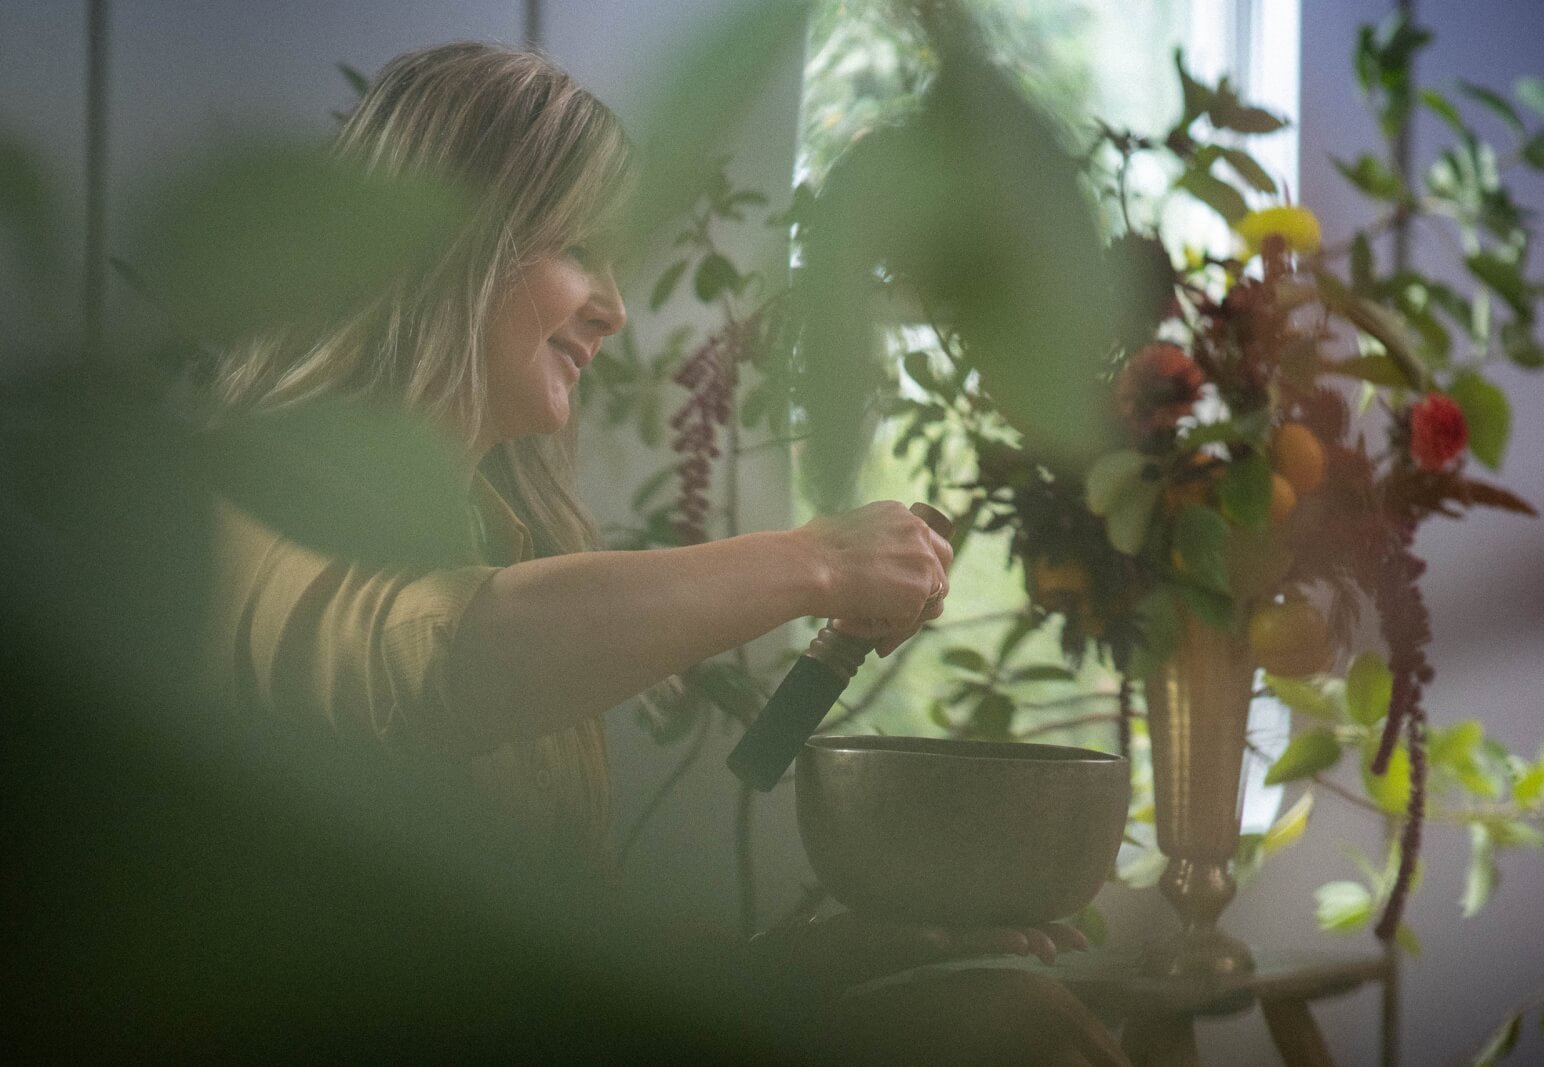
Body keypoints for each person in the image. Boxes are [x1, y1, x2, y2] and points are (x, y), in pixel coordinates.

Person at [201, 41, 1128, 1066]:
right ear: (452, 242)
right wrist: (815, 561)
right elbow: (436, 660)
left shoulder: (505, 532)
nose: (615, 303)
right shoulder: (249, 492)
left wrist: (838, 958)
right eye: (578, 249)